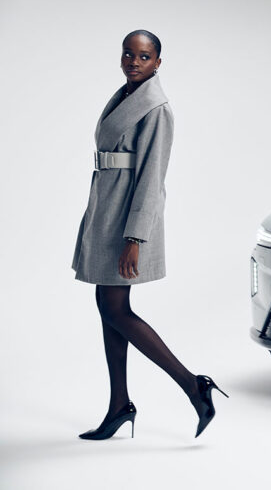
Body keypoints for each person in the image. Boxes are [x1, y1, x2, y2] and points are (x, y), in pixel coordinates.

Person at [72, 30, 227, 440]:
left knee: (116, 308)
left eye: (144, 56)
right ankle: (119, 404)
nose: (134, 61)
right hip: (106, 207)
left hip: (128, 216)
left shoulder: (156, 108)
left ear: (158, 62)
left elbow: (152, 176)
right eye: (128, 54)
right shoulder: (123, 95)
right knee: (108, 305)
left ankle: (193, 385)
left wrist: (134, 238)